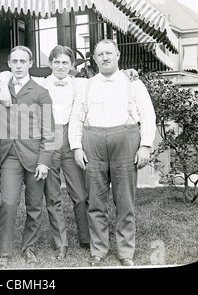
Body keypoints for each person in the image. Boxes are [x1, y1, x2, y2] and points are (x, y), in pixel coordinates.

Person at [0, 45, 91, 261]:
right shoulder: (22, 85)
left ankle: (78, 240)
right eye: (56, 62)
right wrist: (1, 84)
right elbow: (2, 77)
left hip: (56, 145)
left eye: (65, 62)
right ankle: (15, 250)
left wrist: (128, 74)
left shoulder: (64, 87)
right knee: (29, 199)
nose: (61, 66)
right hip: (27, 147)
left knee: (62, 199)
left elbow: (48, 130)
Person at [68, 39, 156, 266]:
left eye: (109, 53)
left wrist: (145, 144)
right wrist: (76, 147)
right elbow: (76, 119)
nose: (105, 57)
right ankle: (98, 249)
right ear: (94, 59)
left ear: (118, 55)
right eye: (100, 54)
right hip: (93, 144)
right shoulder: (86, 85)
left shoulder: (133, 83)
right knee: (96, 200)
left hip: (125, 142)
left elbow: (148, 115)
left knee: (124, 201)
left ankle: (126, 252)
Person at [0, 46, 55, 268]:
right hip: (10, 154)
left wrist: (44, 161)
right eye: (14, 62)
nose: (19, 66)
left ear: (30, 64)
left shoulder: (40, 92)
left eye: (23, 62)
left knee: (34, 206)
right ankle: (4, 252)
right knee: (8, 203)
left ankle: (30, 248)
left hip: (35, 156)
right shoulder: (0, 87)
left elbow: (49, 131)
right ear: (9, 64)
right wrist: (2, 83)